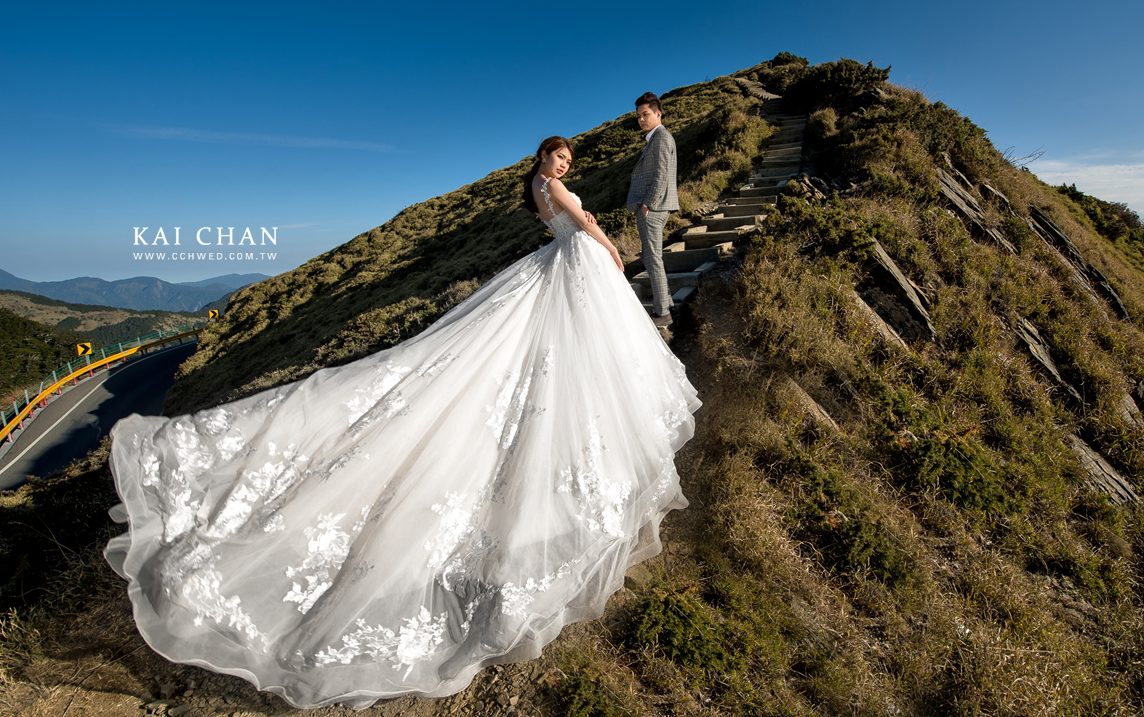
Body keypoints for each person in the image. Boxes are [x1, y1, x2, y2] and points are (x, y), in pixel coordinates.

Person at [102, 134, 702, 710]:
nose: (566, 165)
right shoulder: (556, 192)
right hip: (575, 265)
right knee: (568, 353)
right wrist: (610, 250)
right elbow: (589, 226)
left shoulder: (538, 194)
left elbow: (565, 219)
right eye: (559, 155)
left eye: (569, 158)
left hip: (554, 264)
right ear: (544, 158)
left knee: (547, 356)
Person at [625, 91, 680, 330]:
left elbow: (660, 173)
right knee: (652, 256)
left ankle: (662, 312)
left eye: (645, 114)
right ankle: (666, 302)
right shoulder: (656, 137)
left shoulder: (660, 137)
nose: (641, 119)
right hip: (655, 206)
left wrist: (648, 203)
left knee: (652, 258)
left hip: (653, 207)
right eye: (638, 116)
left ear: (658, 114)